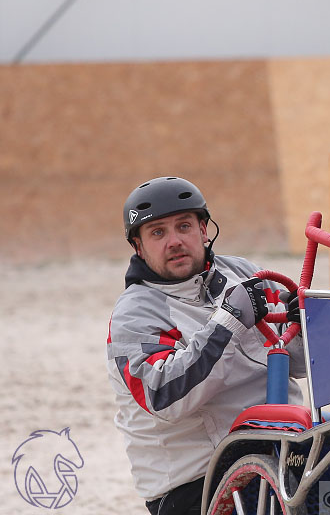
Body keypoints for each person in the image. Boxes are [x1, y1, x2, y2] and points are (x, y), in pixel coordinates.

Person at [106, 176, 305, 515]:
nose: (174, 241)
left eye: (184, 226)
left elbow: (298, 363)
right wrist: (226, 321)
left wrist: (304, 324)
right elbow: (165, 396)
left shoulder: (244, 273)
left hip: (280, 447)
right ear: (138, 247)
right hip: (197, 481)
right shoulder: (134, 316)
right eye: (158, 233)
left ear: (203, 229)